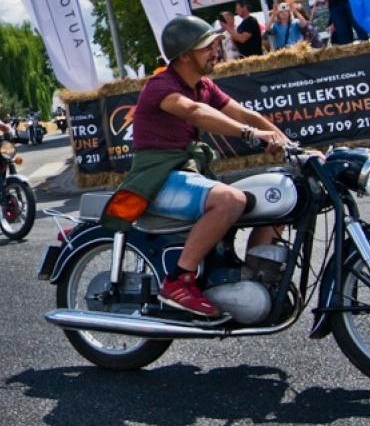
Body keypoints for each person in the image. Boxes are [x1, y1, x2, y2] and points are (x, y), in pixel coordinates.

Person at [112, 16, 291, 318]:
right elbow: (194, 112)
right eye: (208, 46)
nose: (216, 51)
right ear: (185, 55)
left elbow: (245, 114)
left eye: (216, 44)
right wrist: (251, 135)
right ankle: (179, 281)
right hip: (158, 179)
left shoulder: (203, 85)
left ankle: (256, 277)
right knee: (229, 200)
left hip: (187, 175)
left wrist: (289, 144)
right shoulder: (161, 86)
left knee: (273, 199)